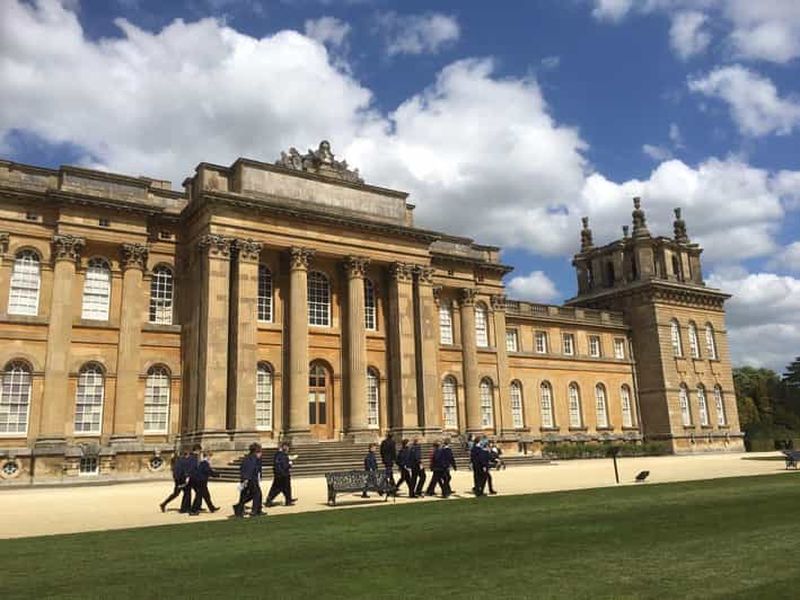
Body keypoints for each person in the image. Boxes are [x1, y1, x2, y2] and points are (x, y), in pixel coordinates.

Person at [233, 443, 264, 517]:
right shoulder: (252, 458)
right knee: (256, 494)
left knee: (252, 495)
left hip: (250, 479)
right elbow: (250, 469)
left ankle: (254, 510)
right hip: (250, 479)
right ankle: (255, 511)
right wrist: (246, 479)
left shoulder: (251, 458)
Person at [189, 451, 219, 515]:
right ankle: (193, 510)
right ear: (207, 457)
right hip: (201, 481)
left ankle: (211, 508)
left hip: (200, 481)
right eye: (209, 456)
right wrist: (216, 475)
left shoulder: (203, 463)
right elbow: (208, 471)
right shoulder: (205, 463)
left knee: (206, 495)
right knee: (199, 496)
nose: (210, 458)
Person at [266, 442, 294, 507]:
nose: (288, 449)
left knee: (280, 488)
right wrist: (290, 464)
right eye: (287, 447)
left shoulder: (278, 454)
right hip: (283, 474)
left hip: (278, 474)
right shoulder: (282, 455)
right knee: (282, 488)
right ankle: (287, 500)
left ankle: (288, 499)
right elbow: (284, 466)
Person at [181, 444, 201, 512]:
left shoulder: (190, 457)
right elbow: (192, 468)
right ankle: (191, 508)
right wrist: (188, 476)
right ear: (197, 450)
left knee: (188, 493)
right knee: (196, 492)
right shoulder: (194, 457)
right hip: (192, 477)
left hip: (190, 477)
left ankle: (186, 507)